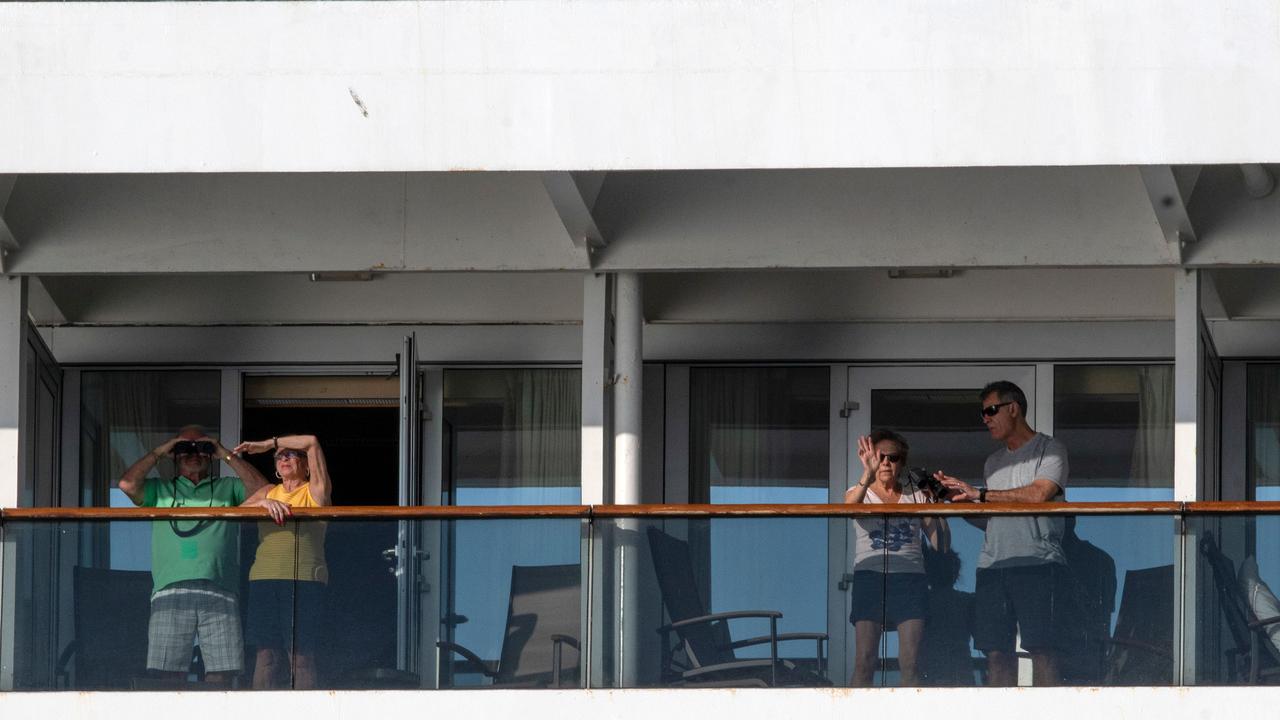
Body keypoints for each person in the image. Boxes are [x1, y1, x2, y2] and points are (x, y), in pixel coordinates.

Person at [936, 380, 1070, 687]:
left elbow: (1039, 494)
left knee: (1043, 651)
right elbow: (992, 518)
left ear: (1014, 408)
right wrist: (955, 500)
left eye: (991, 410)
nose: (985, 419)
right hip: (992, 568)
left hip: (1039, 564)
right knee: (995, 654)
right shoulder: (992, 463)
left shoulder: (1050, 448)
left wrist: (980, 495)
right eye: (983, 413)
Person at [117, 424, 270, 684]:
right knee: (169, 673)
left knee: (222, 672)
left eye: (201, 448)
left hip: (219, 586)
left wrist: (223, 453)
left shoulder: (226, 487)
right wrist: (161, 450)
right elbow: (127, 484)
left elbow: (264, 490)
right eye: (184, 448)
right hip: (170, 588)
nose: (193, 453)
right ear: (175, 454)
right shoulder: (161, 489)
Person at [844, 429, 949, 687]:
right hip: (870, 576)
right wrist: (866, 475)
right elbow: (849, 511)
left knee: (911, 662)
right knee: (865, 660)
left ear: (902, 462)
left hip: (910, 578)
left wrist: (935, 504)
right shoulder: (860, 492)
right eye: (880, 457)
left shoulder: (915, 495)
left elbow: (941, 544)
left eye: (893, 457)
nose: (886, 463)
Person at [235, 434, 333, 689]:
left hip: (305, 580)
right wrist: (263, 503)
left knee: (300, 657)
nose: (284, 458)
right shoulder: (268, 491)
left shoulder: (315, 490)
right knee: (265, 655)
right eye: (280, 456)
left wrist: (268, 444)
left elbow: (312, 441)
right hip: (263, 579)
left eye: (292, 454)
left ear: (307, 464)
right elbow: (234, 512)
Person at [919, 546, 976, 686]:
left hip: (926, 673)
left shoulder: (918, 602)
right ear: (956, 573)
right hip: (961, 673)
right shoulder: (967, 601)